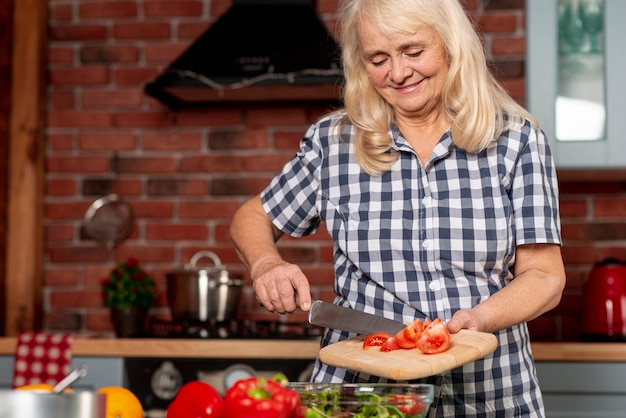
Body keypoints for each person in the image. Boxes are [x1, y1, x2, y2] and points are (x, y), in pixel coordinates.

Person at [229, 0, 566, 416]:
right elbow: (254, 215)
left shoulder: (516, 140)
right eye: (378, 58)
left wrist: (479, 319)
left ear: (450, 45)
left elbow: (546, 276)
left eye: (413, 51)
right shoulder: (333, 143)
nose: (399, 73)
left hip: (490, 394)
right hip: (365, 398)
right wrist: (266, 264)